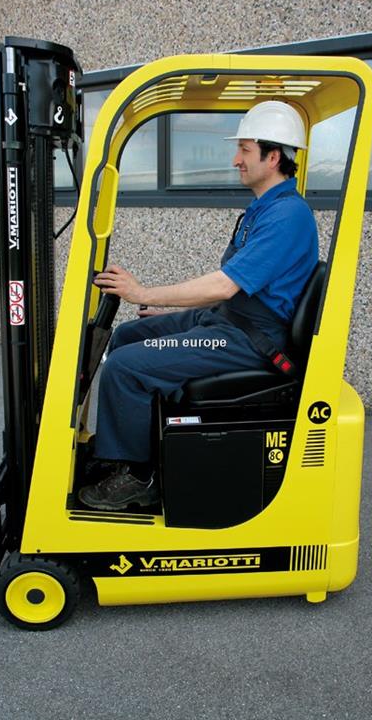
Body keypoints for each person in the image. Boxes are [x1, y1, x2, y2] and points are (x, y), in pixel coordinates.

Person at [78, 101, 318, 510]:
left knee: (125, 365)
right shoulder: (261, 210)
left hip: (249, 340)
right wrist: (172, 318)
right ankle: (129, 449)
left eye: (244, 150)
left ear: (273, 157)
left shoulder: (287, 216)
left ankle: (139, 476)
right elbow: (230, 291)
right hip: (228, 321)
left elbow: (224, 286)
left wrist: (143, 293)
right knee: (129, 335)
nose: (236, 159)